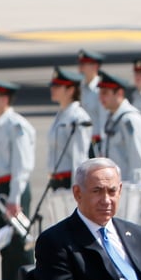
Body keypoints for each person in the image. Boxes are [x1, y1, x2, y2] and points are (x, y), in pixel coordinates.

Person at [0, 77, 35, 280]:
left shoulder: (16, 125)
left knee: (20, 243)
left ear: (4, 99)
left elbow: (21, 165)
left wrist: (15, 197)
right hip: (1, 186)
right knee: (5, 241)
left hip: (14, 186)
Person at [95, 72, 141, 224]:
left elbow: (139, 164)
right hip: (114, 192)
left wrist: (135, 200)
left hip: (128, 194)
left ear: (119, 93)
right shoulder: (112, 118)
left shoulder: (131, 121)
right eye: (100, 92)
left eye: (106, 93)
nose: (101, 97)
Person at [45, 68, 93, 226]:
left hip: (68, 184)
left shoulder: (78, 117)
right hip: (57, 184)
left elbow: (79, 158)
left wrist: (77, 192)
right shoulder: (61, 114)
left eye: (58, 86)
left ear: (70, 90)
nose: (53, 89)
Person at [78, 49, 107, 151]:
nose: (80, 67)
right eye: (80, 63)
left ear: (95, 66)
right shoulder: (80, 87)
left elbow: (104, 119)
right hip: (83, 141)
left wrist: (103, 147)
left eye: (84, 64)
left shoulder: (101, 89)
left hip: (97, 142)